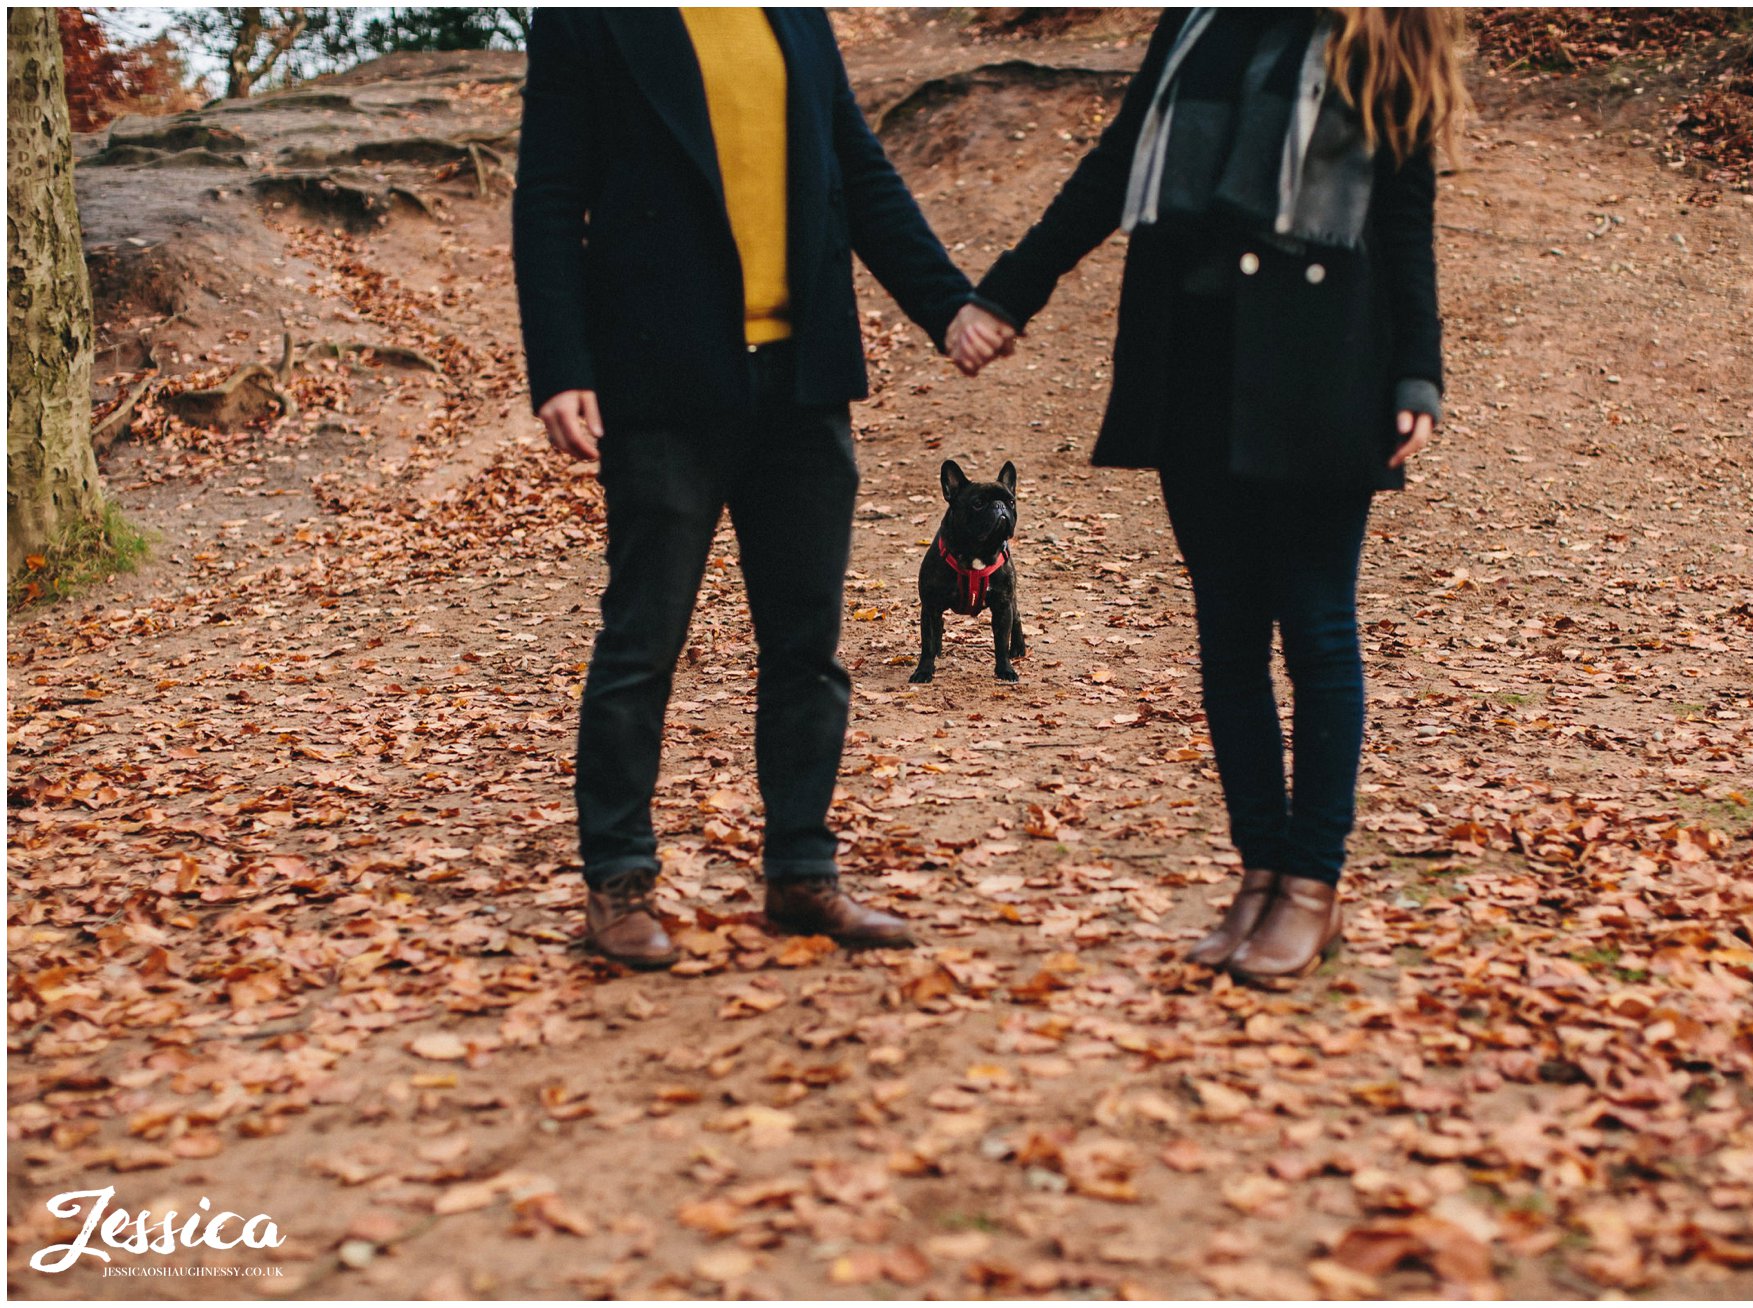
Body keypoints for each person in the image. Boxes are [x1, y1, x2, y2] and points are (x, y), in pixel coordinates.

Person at [953, 8, 1467, 984]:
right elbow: (1116, 164)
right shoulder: (1196, 17)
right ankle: (1258, 873)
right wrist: (1008, 290)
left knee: (1315, 630)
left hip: (1321, 366)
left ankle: (1310, 887)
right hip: (1191, 358)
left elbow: (1404, 214)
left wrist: (1417, 374)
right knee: (1227, 634)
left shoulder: (1378, 26)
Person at [514, 9, 997, 967]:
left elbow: (857, 173)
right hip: (660, 385)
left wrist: (947, 306)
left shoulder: (792, 13)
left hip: (802, 383)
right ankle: (617, 885)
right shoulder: (587, 18)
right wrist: (562, 365)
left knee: (807, 646)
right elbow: (548, 195)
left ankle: (802, 875)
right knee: (642, 642)